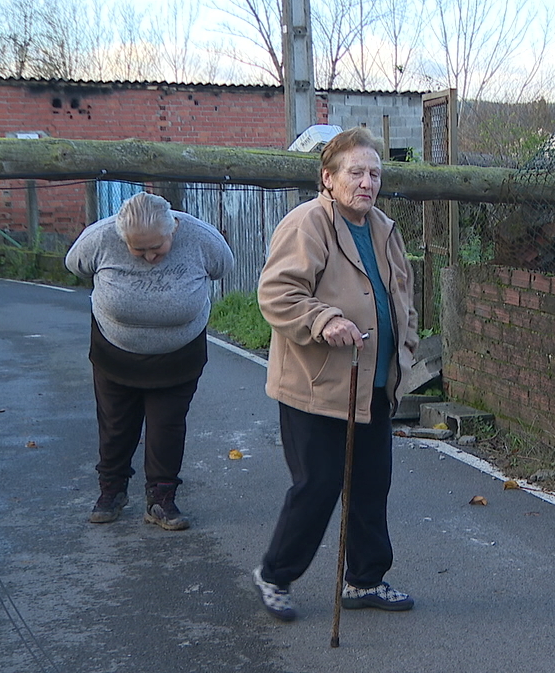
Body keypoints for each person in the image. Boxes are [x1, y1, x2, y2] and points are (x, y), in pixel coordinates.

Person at [251, 127, 419, 622]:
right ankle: (275, 574)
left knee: (371, 486)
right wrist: (325, 319)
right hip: (316, 386)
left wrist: (405, 348)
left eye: (374, 173)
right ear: (328, 178)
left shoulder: (385, 229)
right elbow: (277, 294)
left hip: (373, 385)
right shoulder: (308, 224)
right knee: (319, 485)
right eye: (356, 172)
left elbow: (402, 299)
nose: (367, 183)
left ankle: (365, 580)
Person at [65, 192, 234, 531]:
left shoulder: (202, 239)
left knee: (166, 427)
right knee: (115, 425)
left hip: (179, 356)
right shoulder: (100, 238)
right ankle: (111, 491)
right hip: (114, 353)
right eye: (138, 250)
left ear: (173, 227)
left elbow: (223, 267)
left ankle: (161, 499)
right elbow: (75, 265)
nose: (149, 256)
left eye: (157, 247)